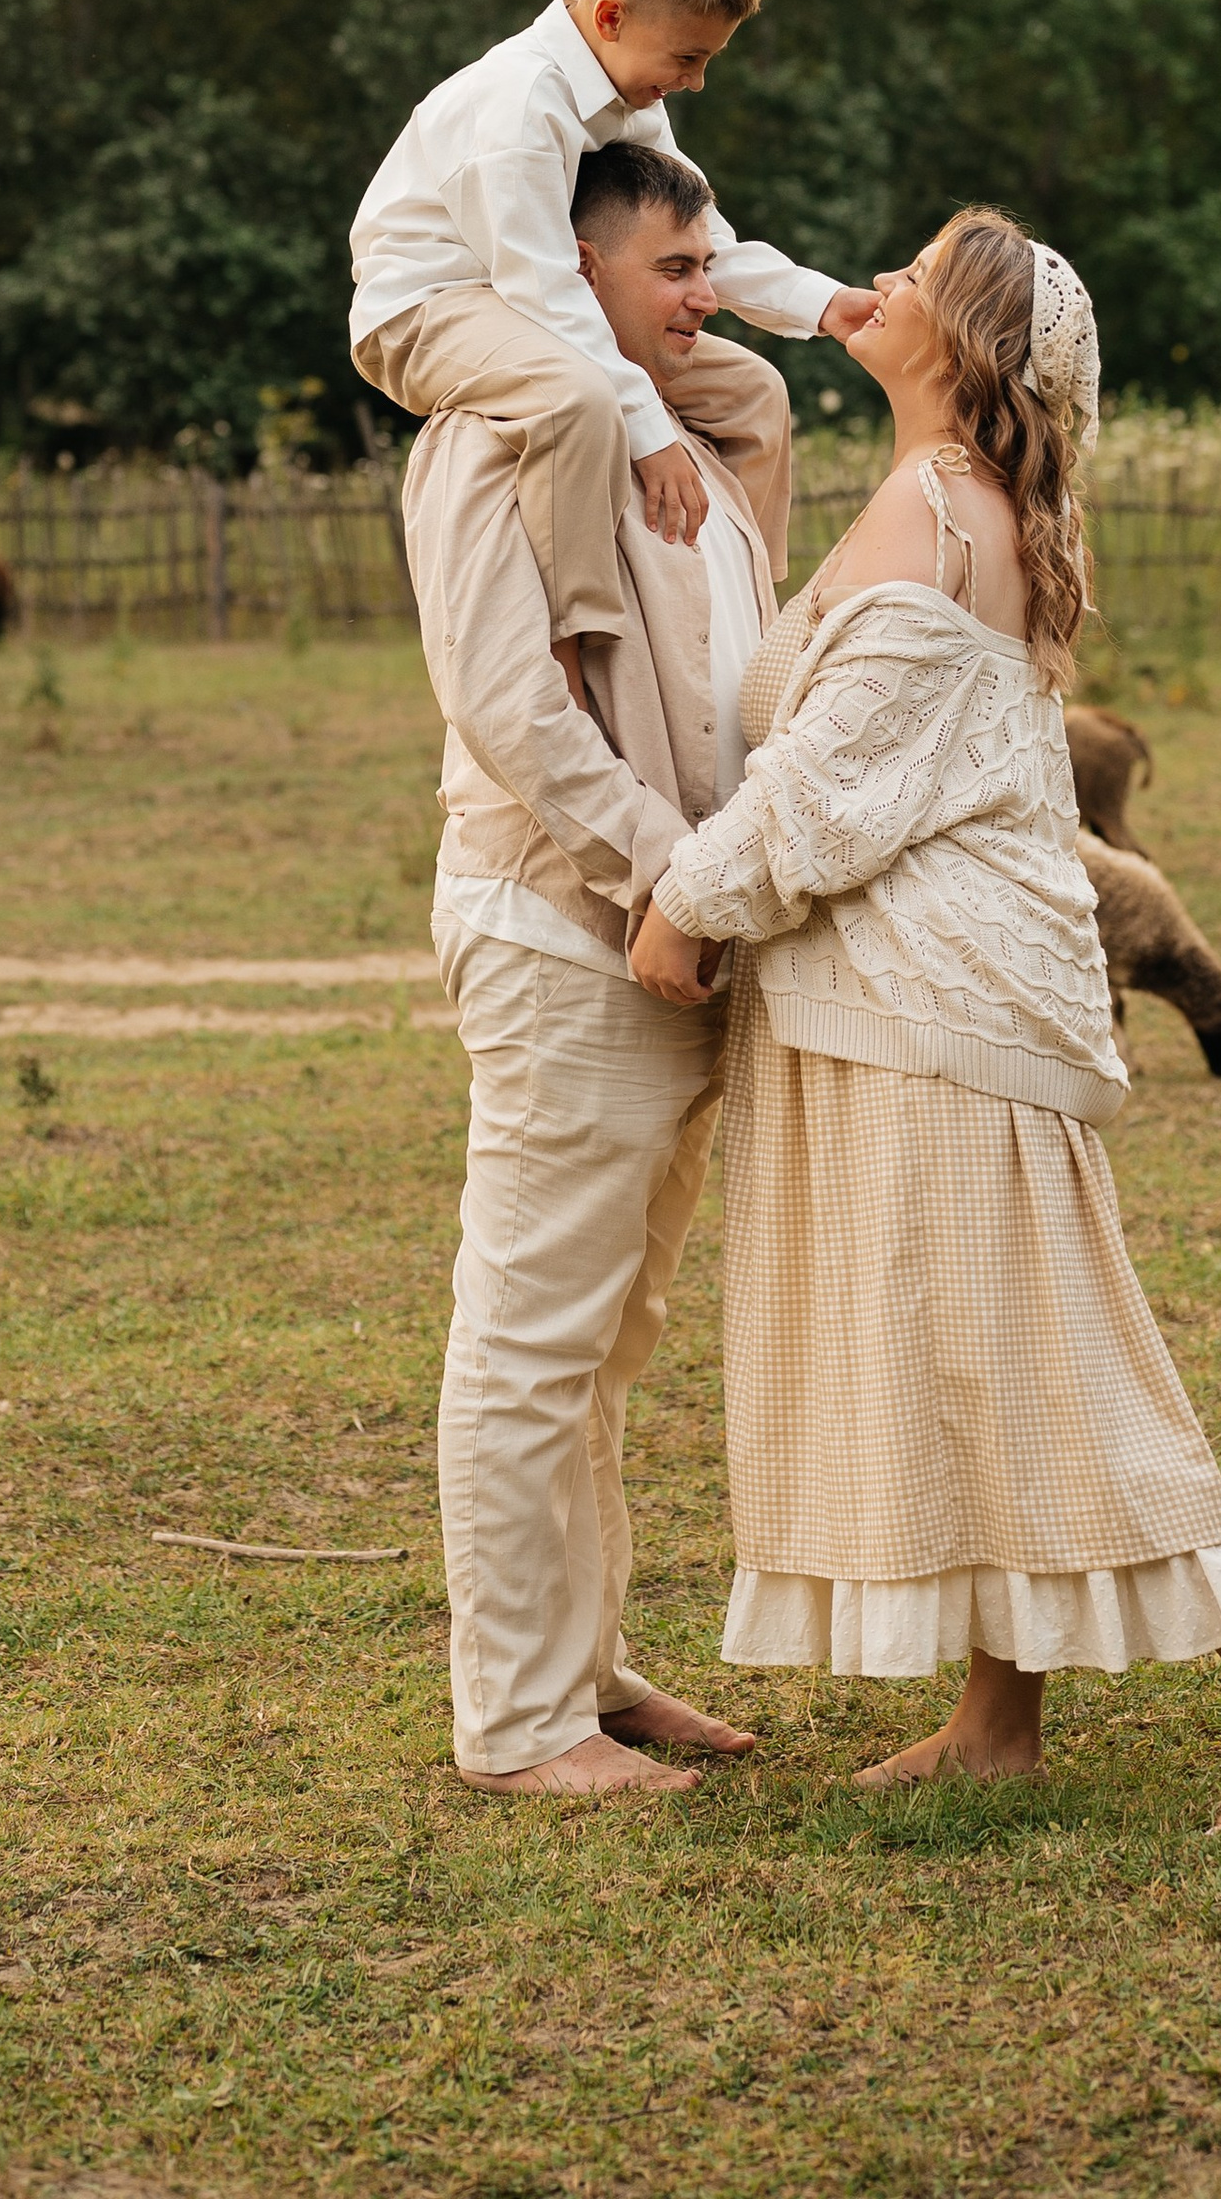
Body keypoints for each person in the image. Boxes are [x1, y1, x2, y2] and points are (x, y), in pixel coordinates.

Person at [632, 209, 1221, 1827]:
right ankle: (996, 1709)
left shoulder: (934, 504)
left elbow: (838, 780)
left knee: (1034, 1347)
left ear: (959, 345)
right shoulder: (981, 506)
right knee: (967, 1344)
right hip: (951, 989)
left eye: (912, 277)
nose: (873, 287)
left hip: (934, 1001)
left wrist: (690, 896)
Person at [402, 137, 778, 1795]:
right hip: (570, 930)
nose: (708, 292)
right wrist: (674, 874)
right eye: (676, 267)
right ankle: (516, 1723)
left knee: (611, 1339)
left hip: (673, 944)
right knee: (531, 1335)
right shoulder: (488, 439)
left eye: (710, 266)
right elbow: (516, 710)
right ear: (574, 269)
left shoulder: (684, 435)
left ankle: (592, 1669)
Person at [352, 0, 876, 666]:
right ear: (610, 19)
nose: (696, 81)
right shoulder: (522, 105)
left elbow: (703, 243)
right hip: (431, 309)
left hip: (535, 302)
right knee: (578, 398)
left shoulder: (632, 99)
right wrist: (653, 434)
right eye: (688, 58)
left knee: (755, 393)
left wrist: (825, 302)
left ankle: (759, 620)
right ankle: (580, 634)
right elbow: (544, 289)